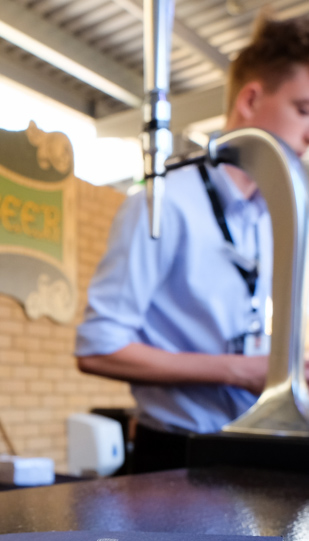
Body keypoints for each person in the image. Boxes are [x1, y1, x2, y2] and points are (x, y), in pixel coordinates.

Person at [75, 14, 309, 472]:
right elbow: (97, 347)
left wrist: (283, 365)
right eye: (304, 110)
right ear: (251, 98)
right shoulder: (162, 203)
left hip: (247, 452)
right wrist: (242, 371)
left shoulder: (271, 217)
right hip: (174, 458)